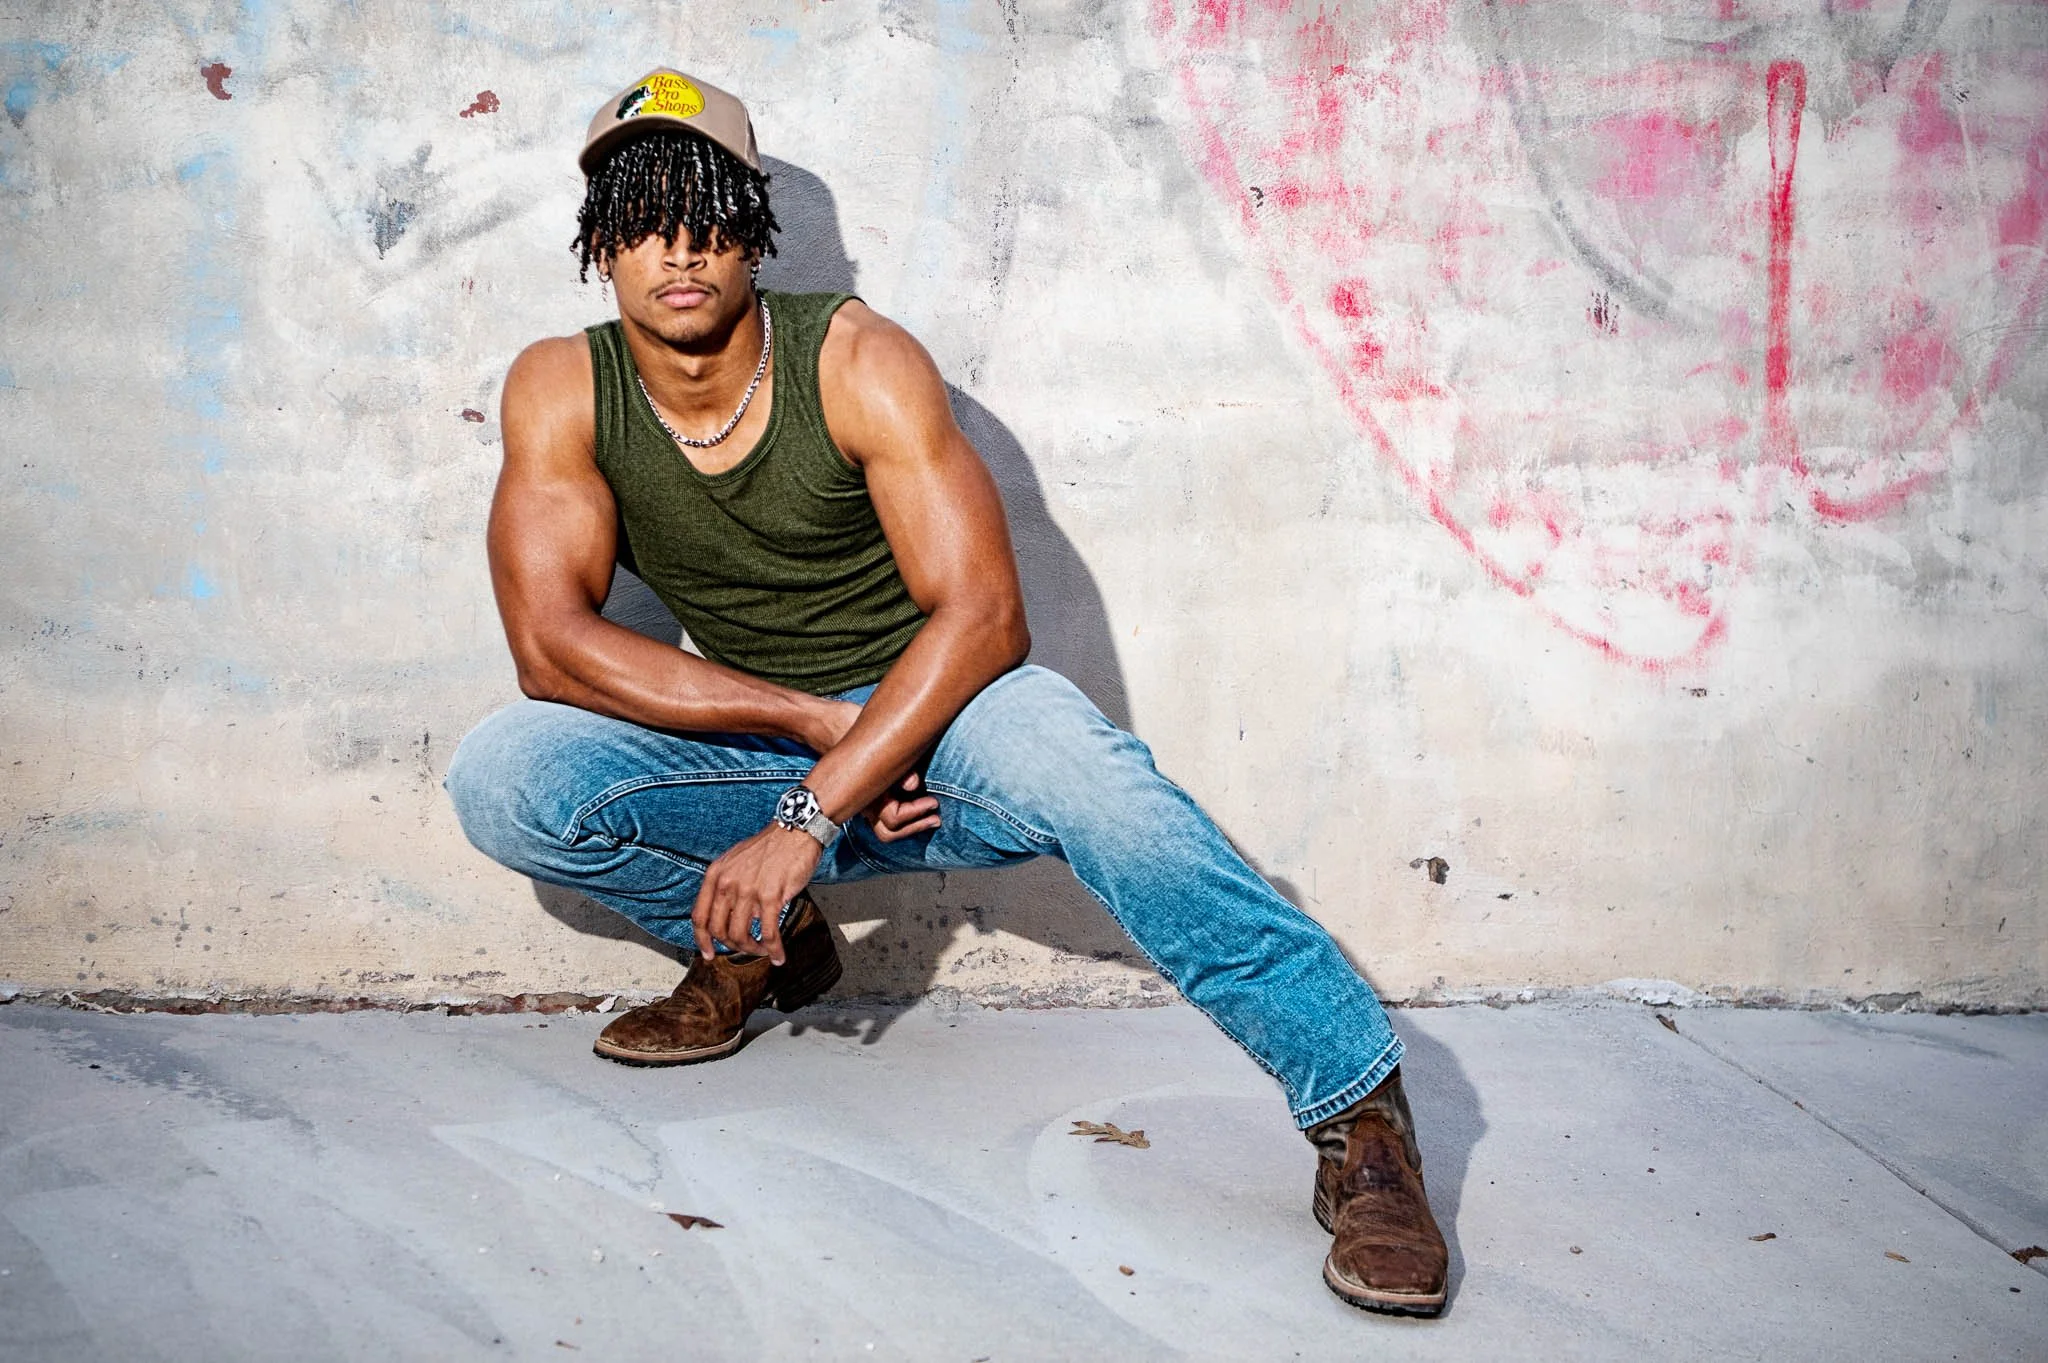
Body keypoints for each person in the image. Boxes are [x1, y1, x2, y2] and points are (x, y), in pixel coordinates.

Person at [444, 67, 1449, 1316]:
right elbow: (551, 649)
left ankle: (1359, 1115)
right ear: (601, 243)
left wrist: (821, 803)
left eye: (706, 211)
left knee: (1102, 785)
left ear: (752, 227)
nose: (678, 249)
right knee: (505, 777)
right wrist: (815, 738)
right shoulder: (560, 387)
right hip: (775, 733)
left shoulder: (855, 359)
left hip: (949, 720)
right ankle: (772, 951)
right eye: (643, 217)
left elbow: (982, 617)